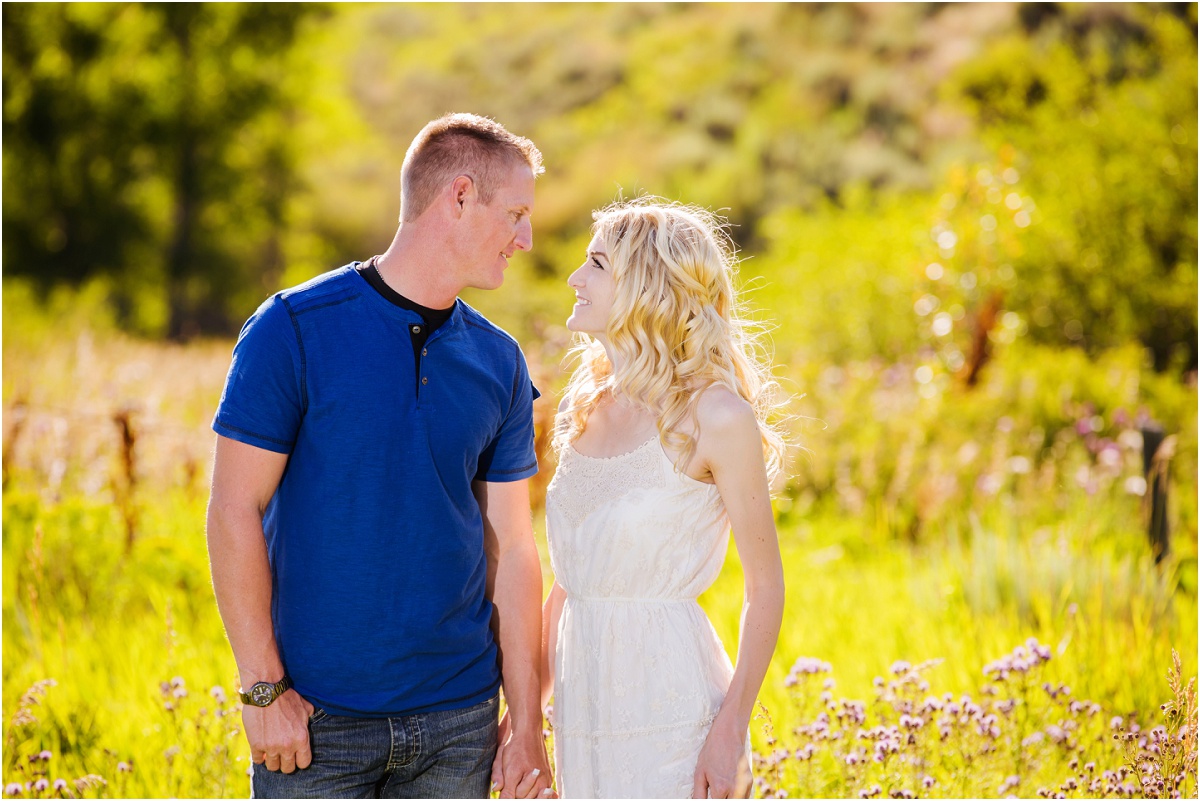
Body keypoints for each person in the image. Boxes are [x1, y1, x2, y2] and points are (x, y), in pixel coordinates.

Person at [206, 113, 554, 799]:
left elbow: (514, 548)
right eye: (515, 212)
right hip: (315, 723)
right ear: (458, 196)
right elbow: (232, 508)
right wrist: (261, 688)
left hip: (459, 723)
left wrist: (527, 725)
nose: (526, 238)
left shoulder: (500, 361)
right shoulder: (293, 327)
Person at [535, 198, 786, 798]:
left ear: (648, 285)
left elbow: (766, 586)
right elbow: (569, 579)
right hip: (581, 704)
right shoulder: (583, 407)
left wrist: (730, 728)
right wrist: (525, 716)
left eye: (596, 263)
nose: (575, 278)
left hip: (673, 709)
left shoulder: (716, 415)